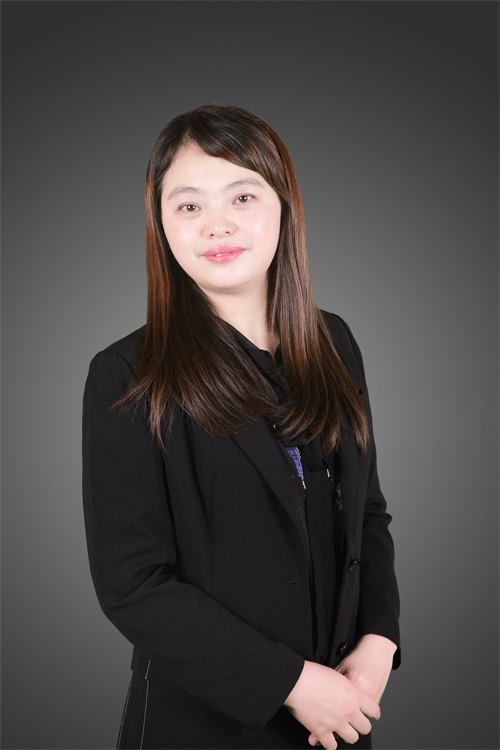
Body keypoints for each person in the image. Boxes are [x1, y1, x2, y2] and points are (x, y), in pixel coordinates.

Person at [82, 104, 400, 750]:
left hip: (341, 715)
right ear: (161, 224)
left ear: (284, 207)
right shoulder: (127, 374)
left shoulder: (334, 341)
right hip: (204, 725)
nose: (216, 224)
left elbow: (366, 511)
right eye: (188, 205)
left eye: (243, 196)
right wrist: (292, 684)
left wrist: (379, 639)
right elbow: (132, 584)